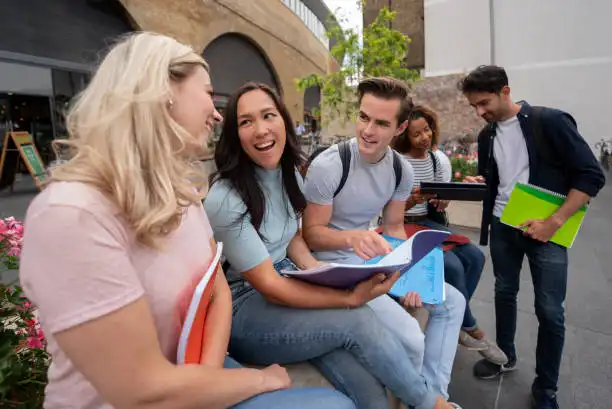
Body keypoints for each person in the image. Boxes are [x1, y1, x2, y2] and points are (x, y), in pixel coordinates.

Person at [18, 32, 355, 409]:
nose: (216, 113)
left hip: (194, 378)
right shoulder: (72, 214)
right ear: (161, 95)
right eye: (208, 93)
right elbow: (141, 391)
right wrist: (256, 378)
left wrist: (208, 382)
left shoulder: (181, 196)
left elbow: (217, 291)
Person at [204, 82, 457, 409]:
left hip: (288, 278)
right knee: (357, 319)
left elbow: (292, 235)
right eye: (246, 121)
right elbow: (269, 286)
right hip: (244, 310)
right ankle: (432, 404)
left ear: (283, 119)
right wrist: (347, 298)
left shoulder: (289, 175)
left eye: (268, 115)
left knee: (370, 393)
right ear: (234, 134)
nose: (261, 130)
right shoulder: (224, 199)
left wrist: (316, 269)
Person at [302, 77, 466, 406]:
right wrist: (352, 238)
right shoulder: (329, 166)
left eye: (381, 123)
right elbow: (311, 233)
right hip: (333, 266)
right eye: (364, 117)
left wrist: (409, 275)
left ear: (400, 126)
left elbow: (393, 228)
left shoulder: (400, 170)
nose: (368, 130)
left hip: (372, 257)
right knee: (413, 341)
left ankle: (436, 395)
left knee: (452, 303)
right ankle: (425, 399)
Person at [459, 65, 605, 409]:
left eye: (484, 103)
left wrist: (554, 222)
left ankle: (546, 387)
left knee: (550, 310)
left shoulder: (549, 122)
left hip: (547, 232)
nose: (480, 113)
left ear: (505, 91)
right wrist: (484, 183)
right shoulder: (487, 136)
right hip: (503, 228)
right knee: (504, 293)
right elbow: (498, 179)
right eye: (474, 107)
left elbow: (590, 176)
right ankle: (504, 356)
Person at [390, 105, 507, 365]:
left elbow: (441, 204)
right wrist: (410, 201)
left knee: (475, 257)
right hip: (401, 223)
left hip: (429, 221)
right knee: (453, 266)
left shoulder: (437, 159)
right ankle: (470, 329)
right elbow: (388, 210)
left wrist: (452, 195)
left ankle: (457, 319)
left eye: (427, 129)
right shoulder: (395, 161)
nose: (424, 137)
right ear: (404, 136)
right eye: (416, 134)